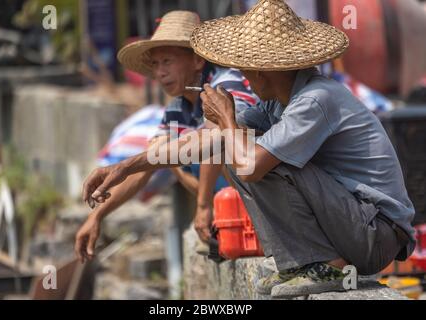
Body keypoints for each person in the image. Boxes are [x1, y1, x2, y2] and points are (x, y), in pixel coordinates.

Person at [81, 0, 416, 298]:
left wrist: (227, 119)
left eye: (245, 68)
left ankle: (326, 265)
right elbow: (204, 142)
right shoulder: (276, 103)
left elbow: (252, 165)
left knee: (252, 155)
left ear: (262, 70)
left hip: (376, 233)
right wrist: (126, 166)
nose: (241, 75)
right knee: (233, 146)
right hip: (354, 225)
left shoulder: (315, 99)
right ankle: (302, 262)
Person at [74, 11, 258, 263]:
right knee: (166, 155)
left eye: (167, 61)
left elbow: (216, 140)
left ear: (196, 60)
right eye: (155, 64)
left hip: (262, 186)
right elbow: (146, 167)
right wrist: (96, 216)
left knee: (196, 149)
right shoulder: (177, 107)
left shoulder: (226, 83)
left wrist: (203, 205)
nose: (160, 73)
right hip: (230, 196)